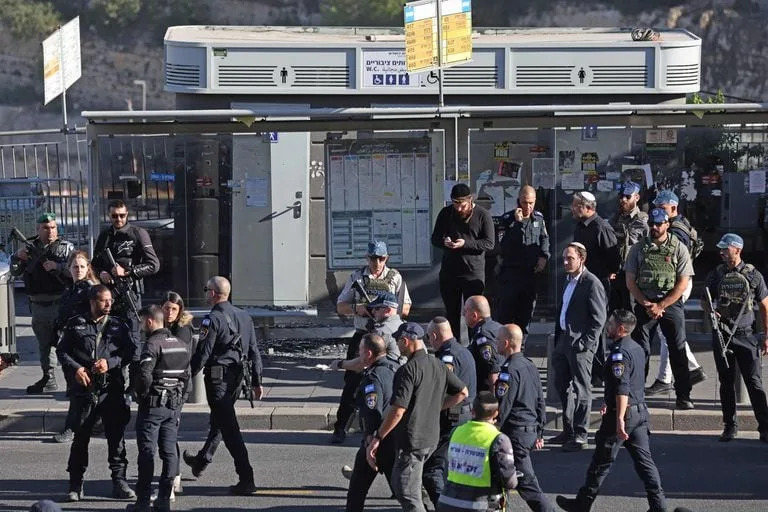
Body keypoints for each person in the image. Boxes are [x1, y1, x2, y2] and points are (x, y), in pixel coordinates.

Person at [556, 310, 667, 512]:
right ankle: (659, 505)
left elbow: (622, 387)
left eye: (611, 324)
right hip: (640, 411)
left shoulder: (619, 353)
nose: (608, 326)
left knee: (601, 461)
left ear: (621, 329)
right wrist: (609, 400)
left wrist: (620, 419)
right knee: (645, 463)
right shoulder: (637, 347)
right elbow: (633, 382)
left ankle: (582, 504)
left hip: (624, 412)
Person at [366, 322, 469, 512]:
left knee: (407, 492)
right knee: (402, 484)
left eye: (398, 341)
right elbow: (463, 392)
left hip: (413, 441)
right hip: (431, 437)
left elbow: (398, 410)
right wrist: (435, 407)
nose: (397, 345)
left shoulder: (408, 370)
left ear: (405, 341)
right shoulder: (437, 363)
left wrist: (378, 437)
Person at [55, 285, 136, 502]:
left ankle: (119, 482)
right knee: (80, 438)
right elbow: (62, 351)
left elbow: (129, 352)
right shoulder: (75, 324)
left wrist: (110, 363)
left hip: (111, 390)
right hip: (84, 390)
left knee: (116, 438)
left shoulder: (119, 325)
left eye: (110, 300)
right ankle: (75, 484)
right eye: (103, 301)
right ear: (93, 302)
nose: (109, 304)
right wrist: (76, 369)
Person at [184, 276, 263, 495]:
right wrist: (257, 381)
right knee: (221, 421)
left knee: (230, 430)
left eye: (206, 289)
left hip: (218, 380)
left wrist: (185, 377)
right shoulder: (245, 316)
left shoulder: (212, 319)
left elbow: (203, 353)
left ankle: (247, 478)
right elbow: (255, 351)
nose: (205, 293)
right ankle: (201, 461)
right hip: (237, 380)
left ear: (213, 293)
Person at [334, 243, 411, 444]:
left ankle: (386, 427)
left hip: (387, 335)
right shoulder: (357, 277)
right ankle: (340, 427)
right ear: (367, 258)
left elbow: (405, 307)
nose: (377, 263)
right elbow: (340, 307)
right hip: (363, 335)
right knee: (351, 383)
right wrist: (357, 308)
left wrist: (385, 312)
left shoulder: (394, 277)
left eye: (381, 258)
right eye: (373, 258)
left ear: (387, 258)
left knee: (391, 381)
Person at [625, 208, 694, 410]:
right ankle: (636, 394)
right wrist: (646, 303)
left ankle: (683, 395)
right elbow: (630, 281)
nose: (655, 227)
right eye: (652, 224)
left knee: (677, 349)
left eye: (659, 224)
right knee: (640, 351)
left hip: (670, 304)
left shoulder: (678, 248)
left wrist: (662, 305)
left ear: (667, 224)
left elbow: (683, 282)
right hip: (644, 303)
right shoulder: (638, 249)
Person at [704, 233, 768, 443]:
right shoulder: (717, 274)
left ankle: (765, 427)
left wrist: (766, 335)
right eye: (721, 248)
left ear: (737, 250)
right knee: (726, 382)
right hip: (723, 335)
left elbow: (765, 305)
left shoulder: (753, 275)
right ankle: (730, 426)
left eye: (725, 248)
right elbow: (705, 300)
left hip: (746, 335)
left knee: (754, 382)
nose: (721, 252)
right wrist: (712, 311)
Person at [646, 190, 706, 396]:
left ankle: (668, 377)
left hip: (677, 283)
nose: (658, 212)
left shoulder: (677, 229)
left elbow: (672, 260)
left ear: (673, 208)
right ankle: (689, 370)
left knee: (668, 332)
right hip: (677, 281)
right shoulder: (679, 223)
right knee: (668, 333)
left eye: (663, 208)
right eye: (657, 208)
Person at [131, 305, 190, 512]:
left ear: (149, 321)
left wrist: (142, 394)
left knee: (147, 452)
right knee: (169, 452)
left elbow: (144, 375)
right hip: (173, 405)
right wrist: (178, 401)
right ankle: (164, 499)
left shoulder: (152, 344)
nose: (140, 327)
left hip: (153, 406)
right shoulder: (182, 345)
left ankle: (143, 501)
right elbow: (186, 378)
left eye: (141, 323)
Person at [10, 212, 74, 394]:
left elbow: (78, 269)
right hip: (38, 305)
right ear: (38, 229)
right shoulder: (29, 249)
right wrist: (17, 258)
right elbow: (15, 272)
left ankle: (72, 380)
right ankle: (48, 378)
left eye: (53, 227)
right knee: (44, 344)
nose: (50, 231)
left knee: (66, 344)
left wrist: (58, 267)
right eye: (46, 228)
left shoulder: (66, 248)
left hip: (60, 303)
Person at [552, 242, 607, 452]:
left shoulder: (591, 283)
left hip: (580, 344)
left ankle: (581, 434)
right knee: (561, 385)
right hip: (563, 341)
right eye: (564, 258)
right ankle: (568, 429)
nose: (565, 262)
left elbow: (598, 320)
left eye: (570, 259)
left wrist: (585, 344)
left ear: (581, 259)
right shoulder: (568, 280)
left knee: (582, 389)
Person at [495, 323, 555, 512]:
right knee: (500, 475)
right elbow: (540, 400)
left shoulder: (508, 371)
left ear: (506, 343)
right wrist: (540, 432)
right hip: (529, 431)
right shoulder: (530, 365)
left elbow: (503, 406)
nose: (495, 343)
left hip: (515, 434)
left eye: (497, 340)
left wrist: (493, 430)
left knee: (526, 483)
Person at [423, 316, 477, 508]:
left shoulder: (447, 357)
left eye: (429, 337)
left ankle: (443, 507)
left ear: (435, 335)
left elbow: (452, 391)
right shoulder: (464, 351)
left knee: (432, 469)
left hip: (451, 418)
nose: (429, 341)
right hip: (465, 416)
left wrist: (433, 408)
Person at [344, 333, 401, 512]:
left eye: (360, 350)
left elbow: (372, 410)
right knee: (403, 489)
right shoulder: (395, 367)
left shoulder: (373, 377)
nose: (359, 354)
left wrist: (371, 438)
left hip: (377, 440)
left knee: (357, 490)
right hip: (395, 436)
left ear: (368, 353)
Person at [431, 183, 495, 341]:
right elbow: (434, 239)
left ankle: (476, 348)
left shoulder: (482, 215)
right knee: (451, 313)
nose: (459, 209)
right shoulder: (446, 213)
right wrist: (444, 242)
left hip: (472, 273)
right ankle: (453, 350)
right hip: (450, 272)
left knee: (474, 316)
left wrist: (464, 244)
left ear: (470, 200)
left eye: (462, 204)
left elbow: (489, 243)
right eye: (455, 204)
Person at [92, 199, 160, 349]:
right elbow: (94, 265)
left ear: (127, 214)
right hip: (109, 295)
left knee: (132, 339)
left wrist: (128, 272)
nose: (119, 219)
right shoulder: (105, 236)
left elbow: (154, 265)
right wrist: (102, 273)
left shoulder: (138, 233)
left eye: (122, 215)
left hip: (130, 293)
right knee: (108, 339)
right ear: (109, 216)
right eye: (114, 216)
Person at [436, 391, 518, 512]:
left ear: (472, 411)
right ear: (496, 413)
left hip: (447, 502)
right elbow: (510, 482)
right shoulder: (499, 439)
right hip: (479, 505)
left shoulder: (456, 432)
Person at [571, 191, 620, 385]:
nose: (572, 209)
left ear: (588, 208)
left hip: (598, 284)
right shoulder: (580, 227)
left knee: (597, 326)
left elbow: (613, 258)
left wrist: (608, 273)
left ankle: (599, 371)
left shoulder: (601, 227)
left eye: (576, 205)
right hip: (581, 281)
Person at [53, 251, 100, 444]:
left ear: (87, 268)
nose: (78, 270)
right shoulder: (71, 289)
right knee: (79, 388)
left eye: (82, 266)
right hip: (70, 342)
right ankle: (92, 423)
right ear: (69, 268)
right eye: (75, 267)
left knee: (79, 390)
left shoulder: (90, 289)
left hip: (84, 344)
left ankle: (71, 429)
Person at [495, 185, 550, 334]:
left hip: (530, 273)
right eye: (525, 202)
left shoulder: (538, 218)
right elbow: (504, 245)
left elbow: (544, 237)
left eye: (531, 203)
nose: (528, 206)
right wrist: (517, 224)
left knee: (525, 315)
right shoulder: (507, 220)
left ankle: (521, 351)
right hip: (511, 274)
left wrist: (544, 256)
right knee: (505, 315)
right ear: (518, 200)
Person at [161, 291, 194, 500]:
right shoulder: (159, 326)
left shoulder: (183, 329)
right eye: (166, 308)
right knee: (168, 433)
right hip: (162, 385)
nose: (170, 312)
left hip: (177, 387)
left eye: (174, 308)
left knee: (169, 432)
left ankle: (173, 479)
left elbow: (176, 356)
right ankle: (176, 475)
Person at [608, 182, 648, 312]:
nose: (623, 199)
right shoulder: (615, 218)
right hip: (616, 272)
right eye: (621, 196)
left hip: (633, 274)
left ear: (636, 197)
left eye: (627, 196)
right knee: (614, 311)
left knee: (631, 311)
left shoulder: (643, 221)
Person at [463, 295, 502, 392]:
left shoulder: (482, 335)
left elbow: (492, 369)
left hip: (486, 391)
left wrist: (494, 403)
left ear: (474, 315)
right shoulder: (497, 327)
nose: (464, 314)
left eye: (466, 311)